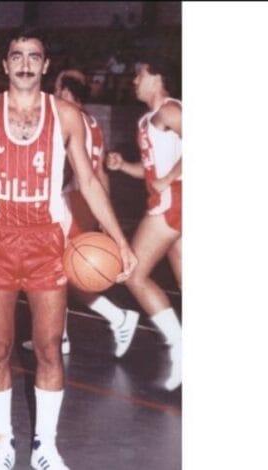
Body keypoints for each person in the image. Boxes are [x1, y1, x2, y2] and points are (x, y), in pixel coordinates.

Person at [0, 28, 136, 470]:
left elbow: (88, 181)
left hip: (46, 242)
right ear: (5, 64)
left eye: (33, 56)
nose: (25, 64)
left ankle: (45, 447)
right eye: (16, 56)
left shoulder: (67, 115)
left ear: (45, 64)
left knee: (50, 347)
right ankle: (2, 445)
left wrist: (120, 240)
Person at [21, 69, 140, 358]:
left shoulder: (65, 118)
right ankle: (59, 335)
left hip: (70, 202)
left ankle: (114, 318)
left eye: (56, 88)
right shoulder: (93, 123)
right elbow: (100, 174)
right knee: (66, 271)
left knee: (53, 270)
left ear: (65, 92)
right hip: (86, 204)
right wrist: (103, 216)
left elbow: (68, 168)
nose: (53, 93)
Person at [106, 56, 182, 391]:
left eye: (139, 74)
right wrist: (123, 166)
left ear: (157, 77)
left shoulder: (170, 110)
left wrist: (170, 177)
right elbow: (150, 172)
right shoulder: (147, 120)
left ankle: (180, 348)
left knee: (134, 273)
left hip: (174, 201)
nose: (134, 80)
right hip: (169, 200)